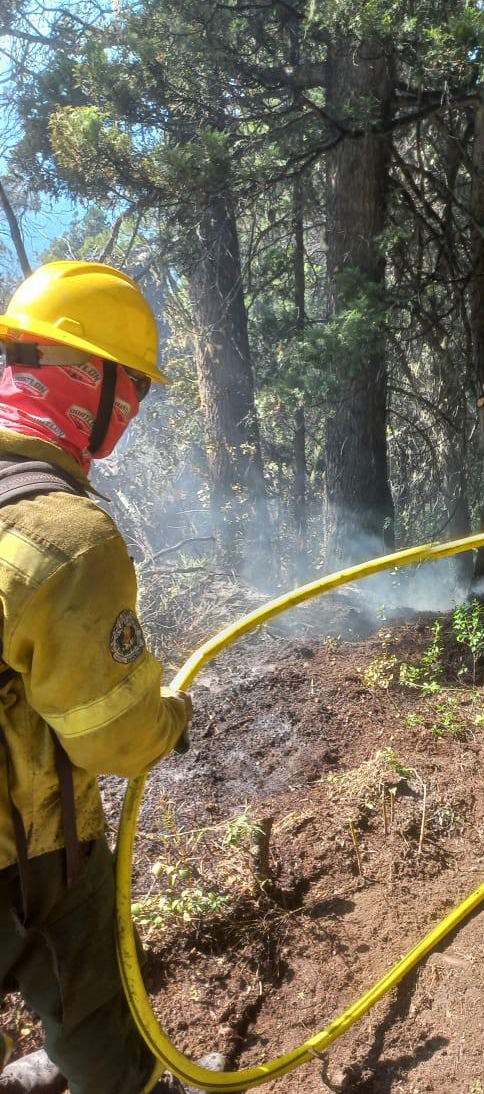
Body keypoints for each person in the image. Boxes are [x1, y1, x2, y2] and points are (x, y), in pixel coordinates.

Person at [0, 262, 194, 1093]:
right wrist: (173, 720)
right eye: (136, 392)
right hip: (24, 847)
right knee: (90, 998)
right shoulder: (64, 536)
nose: (136, 413)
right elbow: (116, 738)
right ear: (93, 382)